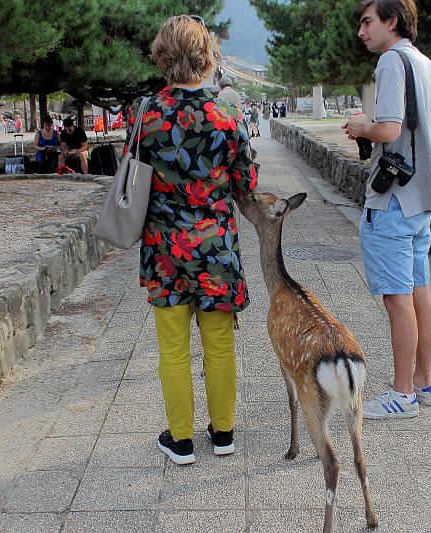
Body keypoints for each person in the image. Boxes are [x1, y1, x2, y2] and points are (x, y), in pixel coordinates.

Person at [126, 14, 257, 465]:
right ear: (206, 56)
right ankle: (223, 435)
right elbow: (247, 183)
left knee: (172, 348)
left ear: (162, 55)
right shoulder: (227, 113)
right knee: (220, 345)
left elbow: (134, 173)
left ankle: (180, 441)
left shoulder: (147, 112)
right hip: (216, 249)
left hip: (164, 251)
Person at [342, 0, 431, 419]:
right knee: (420, 293)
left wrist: (361, 126)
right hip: (420, 198)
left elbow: (389, 128)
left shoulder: (390, 62)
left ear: (391, 21)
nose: (362, 31)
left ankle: (401, 396)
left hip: (392, 202)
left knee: (397, 300)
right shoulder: (426, 64)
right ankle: (423, 384)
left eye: (367, 22)